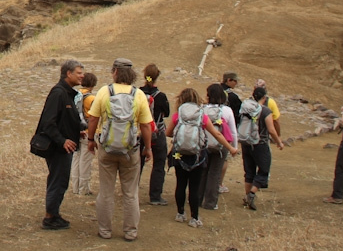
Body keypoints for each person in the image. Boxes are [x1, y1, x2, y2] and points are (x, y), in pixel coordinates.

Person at [86, 58, 153, 241]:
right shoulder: (139, 95)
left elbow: (93, 119)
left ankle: (105, 230)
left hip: (107, 148)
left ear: (115, 71)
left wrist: (91, 140)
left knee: (106, 192)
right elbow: (146, 125)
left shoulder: (104, 92)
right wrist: (148, 148)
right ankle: (130, 231)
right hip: (130, 149)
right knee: (130, 193)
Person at [168, 87, 237, 227]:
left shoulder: (177, 115)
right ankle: (194, 218)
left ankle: (180, 213)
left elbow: (168, 133)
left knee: (180, 184)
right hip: (197, 155)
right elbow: (217, 134)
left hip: (179, 154)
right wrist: (231, 148)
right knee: (194, 187)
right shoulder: (202, 116)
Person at [34, 59, 85, 229]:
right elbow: (48, 122)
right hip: (58, 148)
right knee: (58, 180)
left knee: (59, 180)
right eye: (79, 73)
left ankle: (53, 214)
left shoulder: (67, 93)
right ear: (68, 74)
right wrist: (62, 141)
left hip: (63, 147)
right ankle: (50, 218)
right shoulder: (58, 93)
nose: (82, 76)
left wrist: (77, 132)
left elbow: (64, 120)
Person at [240, 86, 284, 211]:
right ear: (264, 97)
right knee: (264, 170)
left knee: (249, 171)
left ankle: (247, 196)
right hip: (260, 144)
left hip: (246, 142)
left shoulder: (245, 108)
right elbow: (271, 130)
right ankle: (251, 194)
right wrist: (279, 142)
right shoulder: (265, 111)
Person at [200, 83, 237, 211]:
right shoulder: (227, 110)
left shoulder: (203, 109)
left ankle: (198, 199)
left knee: (203, 172)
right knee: (215, 173)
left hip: (204, 144)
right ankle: (210, 202)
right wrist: (233, 147)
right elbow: (233, 131)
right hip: (221, 145)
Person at [140, 63, 171, 206]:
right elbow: (167, 113)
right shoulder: (161, 96)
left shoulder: (137, 93)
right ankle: (155, 196)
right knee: (159, 163)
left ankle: (131, 191)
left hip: (140, 132)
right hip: (157, 132)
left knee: (137, 163)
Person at [70, 72, 98, 195]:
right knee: (85, 160)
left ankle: (75, 187)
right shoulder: (92, 99)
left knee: (76, 158)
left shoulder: (75, 95)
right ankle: (84, 188)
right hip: (87, 131)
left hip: (75, 130)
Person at [218, 72, 242, 194]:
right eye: (235, 81)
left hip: (211, 128)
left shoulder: (215, 91)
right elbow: (238, 116)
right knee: (224, 159)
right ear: (228, 80)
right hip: (226, 131)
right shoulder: (233, 97)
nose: (236, 83)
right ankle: (219, 184)